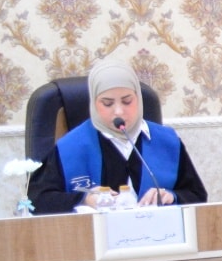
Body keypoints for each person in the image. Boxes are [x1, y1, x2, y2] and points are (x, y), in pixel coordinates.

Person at [29, 58, 208, 214]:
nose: (119, 111)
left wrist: (171, 197)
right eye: (107, 104)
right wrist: (84, 199)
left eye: (127, 101)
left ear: (138, 99)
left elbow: (197, 195)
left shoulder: (167, 142)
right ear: (94, 104)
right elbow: (37, 201)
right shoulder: (70, 147)